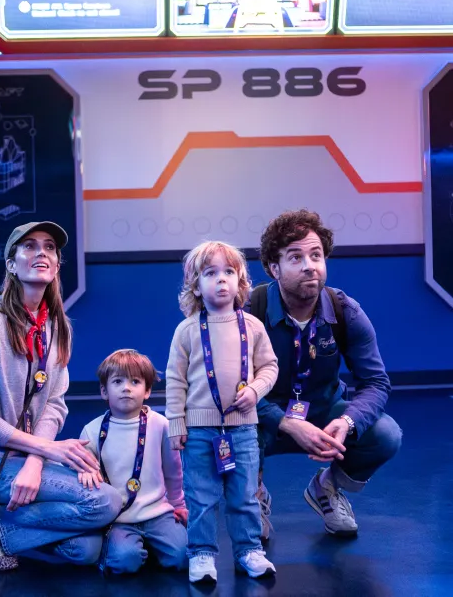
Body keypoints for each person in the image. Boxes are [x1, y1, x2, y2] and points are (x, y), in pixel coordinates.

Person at [0, 221, 120, 571]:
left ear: (57, 264)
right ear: (11, 264)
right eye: (28, 246)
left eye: (49, 247)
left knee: (85, 550)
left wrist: (34, 461)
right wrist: (46, 449)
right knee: (104, 502)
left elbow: (55, 404)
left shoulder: (55, 324)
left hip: (25, 457)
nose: (41, 252)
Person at [247, 209, 403, 540]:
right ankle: (253, 496)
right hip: (262, 417)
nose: (309, 265)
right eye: (295, 257)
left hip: (323, 413)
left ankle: (327, 487)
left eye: (316, 255)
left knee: (386, 434)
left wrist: (347, 422)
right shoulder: (250, 311)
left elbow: (376, 382)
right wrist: (285, 422)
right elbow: (232, 388)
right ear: (274, 268)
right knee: (228, 435)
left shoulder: (345, 310)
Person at [165, 240, 280, 583]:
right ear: (196, 285)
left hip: (243, 429)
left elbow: (269, 368)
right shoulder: (186, 330)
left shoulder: (253, 327)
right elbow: (175, 380)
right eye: (210, 273)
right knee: (200, 496)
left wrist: (256, 391)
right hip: (200, 432)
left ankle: (249, 550)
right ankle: (201, 553)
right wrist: (177, 424)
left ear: (241, 281)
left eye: (229, 272)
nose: (221, 280)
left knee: (245, 494)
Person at [77, 349, 188, 575]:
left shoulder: (161, 425)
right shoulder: (92, 430)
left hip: (158, 513)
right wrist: (84, 470)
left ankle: (151, 545)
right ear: (103, 391)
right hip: (119, 520)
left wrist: (178, 505)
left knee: (184, 557)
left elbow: (173, 470)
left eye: (135, 381)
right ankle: (129, 548)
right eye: (117, 381)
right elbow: (83, 473)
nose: (126, 388)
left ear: (147, 391)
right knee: (124, 562)